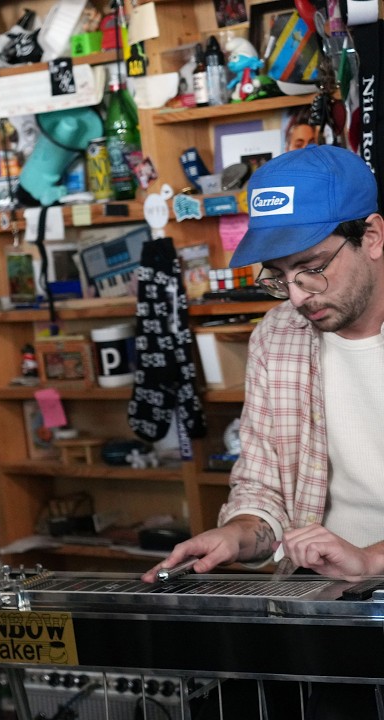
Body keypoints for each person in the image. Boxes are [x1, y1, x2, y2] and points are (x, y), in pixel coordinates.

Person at [141, 145, 384, 718]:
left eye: (313, 267)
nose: (297, 296)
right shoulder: (278, 336)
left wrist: (371, 559)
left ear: (372, 236)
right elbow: (263, 488)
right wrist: (238, 534)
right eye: (279, 276)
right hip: (328, 609)